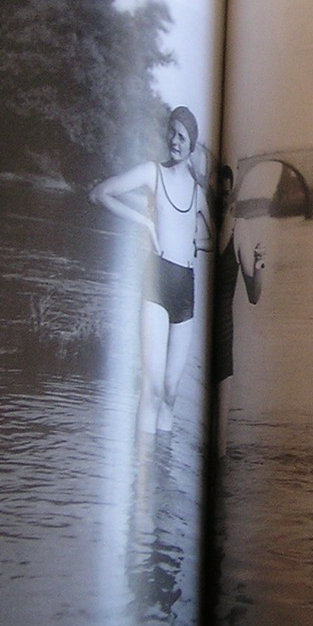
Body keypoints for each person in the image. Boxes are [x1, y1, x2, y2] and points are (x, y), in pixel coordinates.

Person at [90, 106, 211, 434]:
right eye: (171, 132)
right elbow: (100, 193)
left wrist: (196, 245)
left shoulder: (199, 193)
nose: (174, 140)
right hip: (156, 282)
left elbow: (211, 238)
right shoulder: (151, 173)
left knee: (170, 393)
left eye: (182, 136)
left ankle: (163, 468)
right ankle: (143, 468)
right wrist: (144, 220)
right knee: (153, 388)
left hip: (186, 287)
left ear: (192, 145)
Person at [213, 164, 265, 455]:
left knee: (219, 443)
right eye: (213, 193)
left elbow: (254, 295)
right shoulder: (192, 219)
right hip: (189, 332)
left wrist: (259, 264)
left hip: (221, 335)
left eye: (225, 194)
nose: (219, 200)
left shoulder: (240, 229)